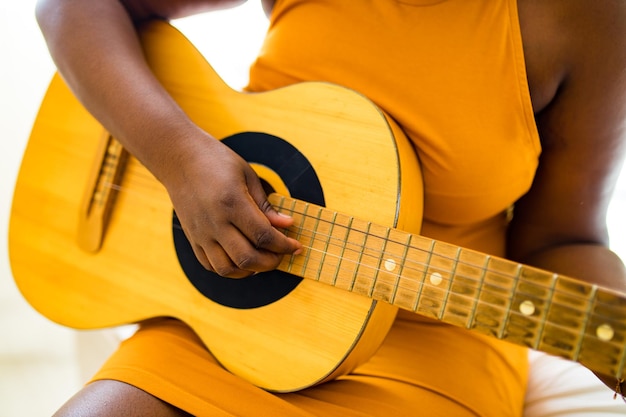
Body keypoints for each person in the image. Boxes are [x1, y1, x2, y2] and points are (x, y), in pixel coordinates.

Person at [34, 0, 626, 416]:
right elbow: (71, 6)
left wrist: (612, 336)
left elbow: (562, 239)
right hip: (238, 329)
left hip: (431, 354)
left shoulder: (588, 16)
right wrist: (179, 158)